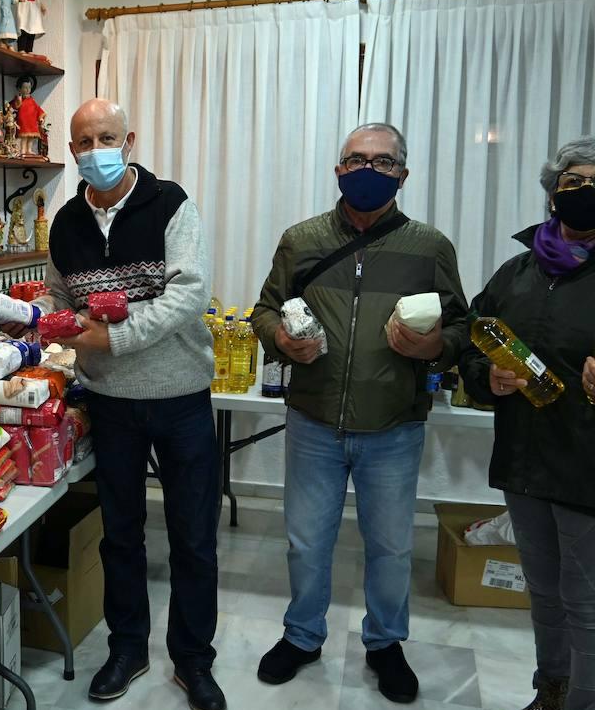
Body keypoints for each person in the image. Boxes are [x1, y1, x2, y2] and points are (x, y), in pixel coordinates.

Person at [251, 123, 469, 703]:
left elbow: (461, 326)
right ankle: (302, 636)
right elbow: (265, 310)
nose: (368, 170)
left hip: (394, 424)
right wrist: (281, 340)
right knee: (305, 542)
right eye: (356, 159)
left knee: (391, 547)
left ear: (403, 173)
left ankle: (385, 643)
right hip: (314, 419)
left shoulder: (429, 247)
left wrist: (435, 346)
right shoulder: (301, 239)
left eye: (383, 161)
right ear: (339, 169)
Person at [27, 99, 224, 709]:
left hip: (180, 395)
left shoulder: (170, 204)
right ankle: (127, 649)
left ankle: (193, 659)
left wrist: (114, 336)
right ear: (72, 150)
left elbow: (189, 295)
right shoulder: (66, 223)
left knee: (193, 536)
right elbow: (61, 296)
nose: (96, 151)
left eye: (106, 138)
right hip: (109, 401)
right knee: (120, 535)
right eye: (84, 142)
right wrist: (41, 317)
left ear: (129, 140)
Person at [458, 137, 595, 710]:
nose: (584, 191)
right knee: (542, 591)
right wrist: (486, 377)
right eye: (573, 182)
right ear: (552, 193)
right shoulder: (515, 272)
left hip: (586, 464)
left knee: (585, 600)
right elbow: (471, 339)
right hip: (522, 457)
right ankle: (551, 691)